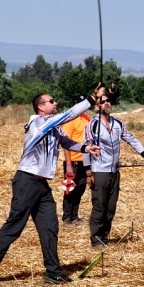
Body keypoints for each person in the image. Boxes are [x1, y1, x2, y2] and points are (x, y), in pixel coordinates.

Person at [0, 87, 103, 286]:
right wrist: (92, 98)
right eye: (51, 101)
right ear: (40, 107)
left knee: (49, 227)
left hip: (42, 185)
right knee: (15, 225)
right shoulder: (38, 123)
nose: (55, 103)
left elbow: (66, 141)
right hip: (27, 181)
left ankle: (53, 272)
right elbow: (71, 114)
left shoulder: (53, 127)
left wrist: (86, 148)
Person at [84, 92, 144, 248]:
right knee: (100, 206)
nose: (107, 103)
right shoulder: (92, 125)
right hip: (99, 171)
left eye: (108, 101)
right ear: (96, 106)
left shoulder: (117, 123)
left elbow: (131, 139)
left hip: (114, 171)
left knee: (111, 207)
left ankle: (105, 236)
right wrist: (88, 172)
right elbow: (85, 148)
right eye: (103, 101)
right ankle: (96, 239)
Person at [60, 95, 91, 224]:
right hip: (72, 160)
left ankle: (75, 215)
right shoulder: (69, 120)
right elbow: (65, 143)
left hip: (85, 160)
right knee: (70, 188)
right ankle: (67, 217)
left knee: (81, 188)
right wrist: (68, 164)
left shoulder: (86, 118)